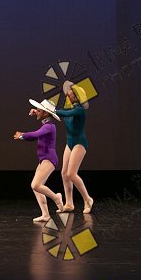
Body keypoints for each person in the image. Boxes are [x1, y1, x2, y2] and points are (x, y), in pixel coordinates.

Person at [14, 99, 64, 222]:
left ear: (46, 113)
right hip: (44, 159)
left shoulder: (49, 126)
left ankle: (56, 198)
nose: (37, 112)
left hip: (49, 159)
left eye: (39, 110)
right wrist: (37, 112)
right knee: (36, 188)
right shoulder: (46, 123)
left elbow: (36, 134)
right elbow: (35, 136)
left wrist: (22, 135)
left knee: (35, 185)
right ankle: (45, 214)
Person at [55, 82, 94, 213]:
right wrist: (40, 110)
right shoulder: (68, 109)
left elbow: (64, 114)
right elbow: (59, 113)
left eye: (70, 94)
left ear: (77, 96)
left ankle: (88, 199)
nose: (68, 95)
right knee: (64, 173)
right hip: (70, 143)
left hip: (79, 143)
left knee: (71, 174)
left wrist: (53, 111)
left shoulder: (79, 110)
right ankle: (69, 203)